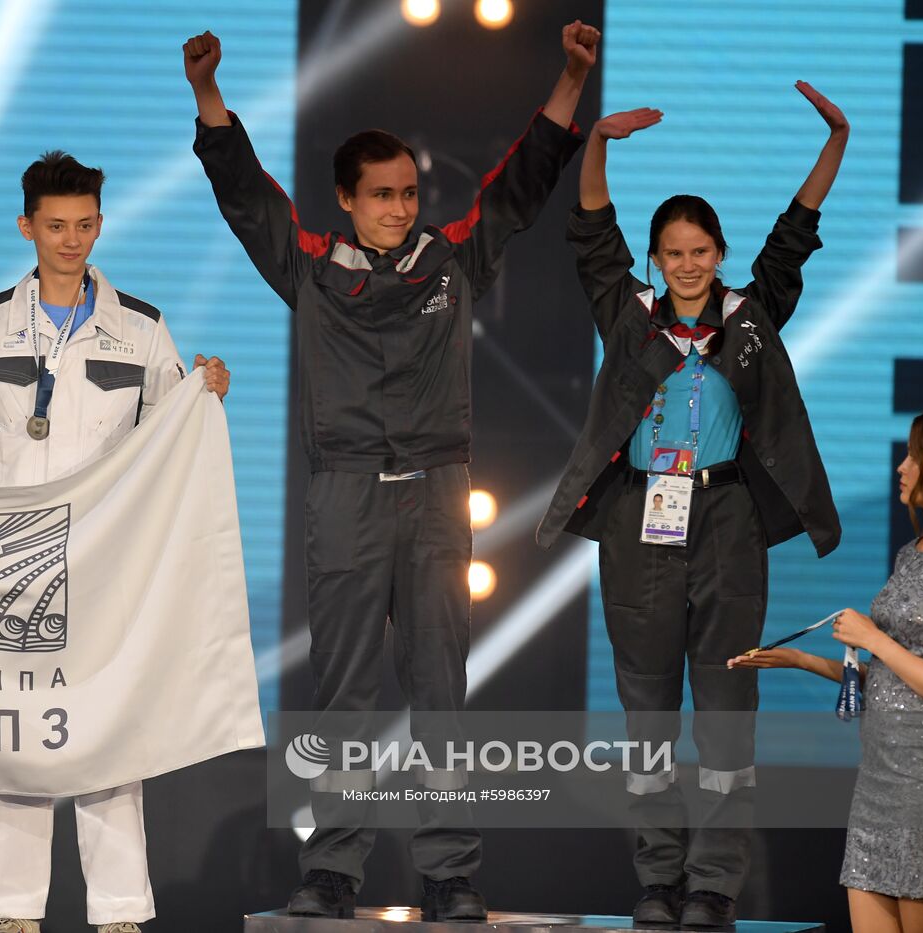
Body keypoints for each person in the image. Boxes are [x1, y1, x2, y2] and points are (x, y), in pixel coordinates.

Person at [185, 21, 596, 921]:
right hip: (345, 490)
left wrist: (569, 78)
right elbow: (245, 195)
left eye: (409, 193)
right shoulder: (311, 266)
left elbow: (523, 183)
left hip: (441, 492)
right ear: (345, 198)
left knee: (440, 689)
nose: (401, 208)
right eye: (382, 196)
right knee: (343, 690)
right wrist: (209, 95)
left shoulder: (450, 257)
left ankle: (449, 870)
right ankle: (332, 867)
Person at [535, 83, 849, 926]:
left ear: (718, 251)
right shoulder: (626, 313)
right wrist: (596, 138)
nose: (687, 264)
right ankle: (656, 881)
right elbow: (590, 228)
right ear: (655, 257)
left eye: (701, 249)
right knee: (646, 712)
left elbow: (795, 239)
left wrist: (837, 141)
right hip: (639, 520)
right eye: (672, 251)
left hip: (726, 523)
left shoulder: (751, 317)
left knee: (726, 711)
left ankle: (712, 884)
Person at [0, 150, 229, 933]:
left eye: (84, 225)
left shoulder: (141, 327)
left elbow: (175, 438)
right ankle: (12, 913)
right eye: (55, 225)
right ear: (27, 226)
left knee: (108, 735)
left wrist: (208, 391)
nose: (71, 240)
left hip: (108, 563)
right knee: (15, 738)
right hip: (11, 565)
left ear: (101, 224)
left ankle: (119, 913)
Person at [729, 406, 923, 933]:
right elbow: (891, 679)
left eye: (916, 456)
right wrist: (796, 659)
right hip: (876, 789)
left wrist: (874, 638)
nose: (902, 467)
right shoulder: (913, 553)